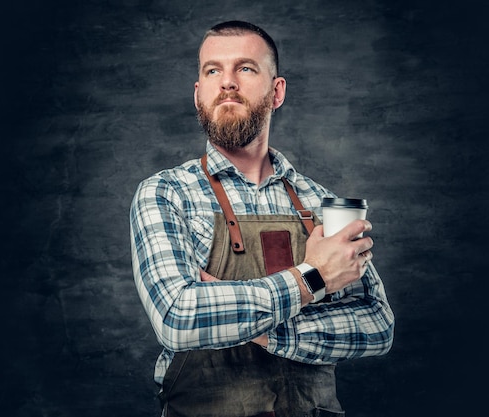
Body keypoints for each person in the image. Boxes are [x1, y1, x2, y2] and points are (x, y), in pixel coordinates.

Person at [130, 20, 394, 417]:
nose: (228, 82)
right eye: (212, 70)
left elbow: (377, 325)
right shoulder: (167, 194)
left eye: (246, 68)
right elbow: (177, 317)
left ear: (277, 92)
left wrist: (267, 334)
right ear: (198, 93)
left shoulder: (322, 203)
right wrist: (315, 277)